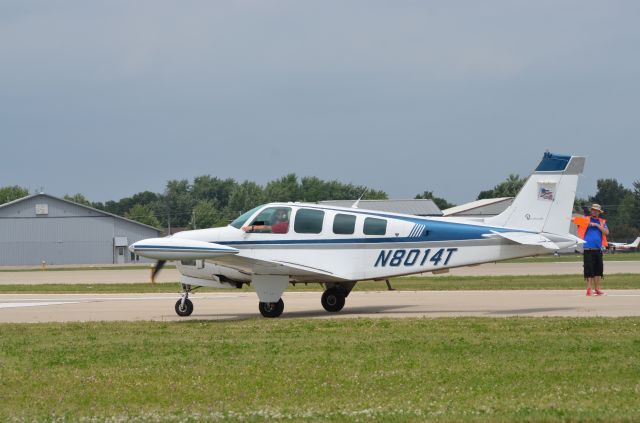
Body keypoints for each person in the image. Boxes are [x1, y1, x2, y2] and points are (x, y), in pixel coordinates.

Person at [572, 203, 609, 296]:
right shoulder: (586, 219)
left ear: (599, 212)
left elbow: (607, 232)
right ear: (591, 211)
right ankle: (589, 289)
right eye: (593, 210)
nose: (594, 211)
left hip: (598, 249)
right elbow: (573, 220)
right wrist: (584, 223)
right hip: (588, 249)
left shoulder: (602, 222)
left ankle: (597, 289)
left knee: (598, 270)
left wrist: (597, 225)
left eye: (596, 210)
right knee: (589, 270)